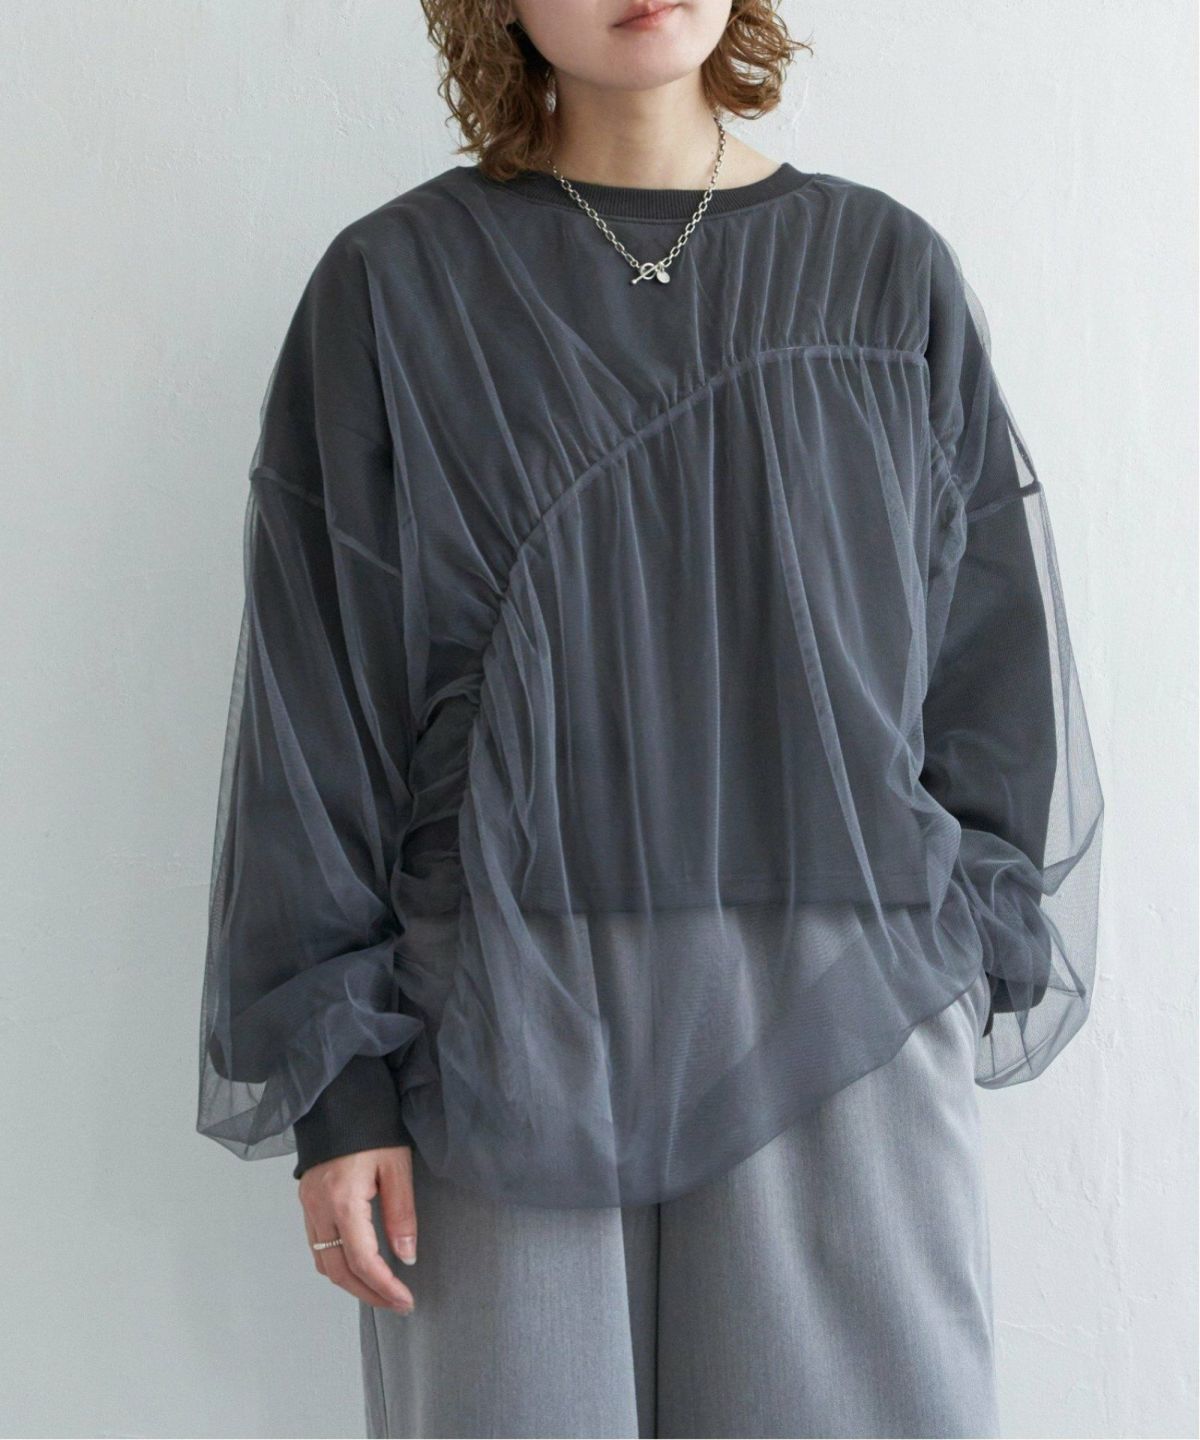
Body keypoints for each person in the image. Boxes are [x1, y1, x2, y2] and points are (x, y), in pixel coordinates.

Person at [196, 2, 1105, 1435]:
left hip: (842, 993)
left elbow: (985, 653)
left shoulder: (883, 272)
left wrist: (958, 942)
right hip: (503, 1013)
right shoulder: (394, 288)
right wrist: (339, 1086)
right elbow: (320, 702)